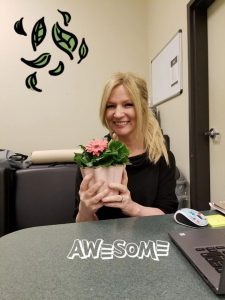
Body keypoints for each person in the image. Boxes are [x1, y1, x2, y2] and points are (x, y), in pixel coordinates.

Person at [75, 72, 178, 222]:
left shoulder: (161, 158)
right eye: (111, 106)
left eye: (128, 104)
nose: (117, 114)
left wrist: (132, 207)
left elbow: (167, 214)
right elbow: (80, 225)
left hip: (148, 241)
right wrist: (85, 210)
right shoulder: (91, 158)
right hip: (102, 243)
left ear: (142, 108)